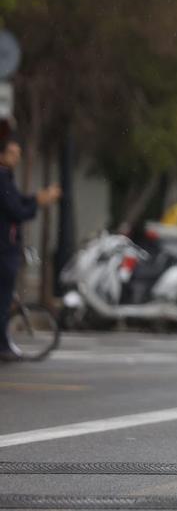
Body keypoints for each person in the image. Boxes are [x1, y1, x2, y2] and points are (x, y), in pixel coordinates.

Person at [0, 135, 61, 362]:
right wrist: (38, 202)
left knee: (5, 300)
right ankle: (2, 345)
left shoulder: (6, 178)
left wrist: (37, 199)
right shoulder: (2, 178)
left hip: (7, 248)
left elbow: (19, 202)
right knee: (4, 301)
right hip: (4, 250)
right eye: (13, 153)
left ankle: (4, 344)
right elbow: (16, 210)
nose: (17, 158)